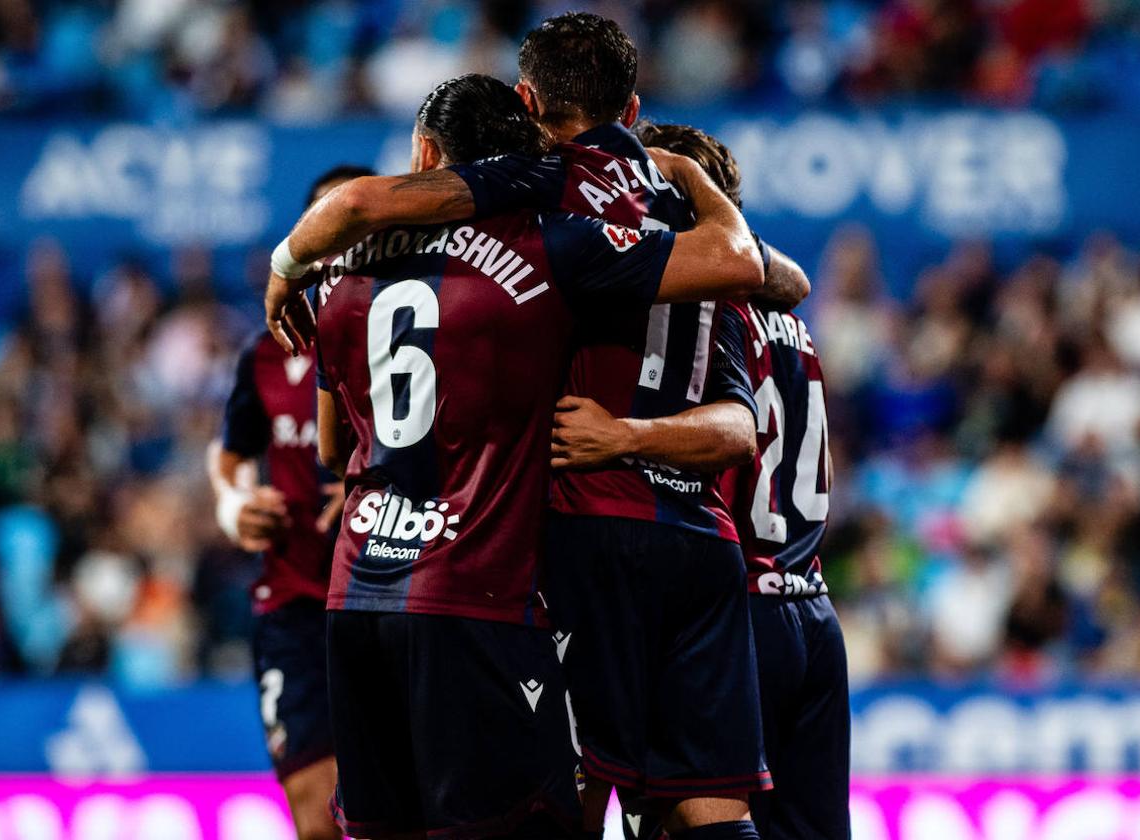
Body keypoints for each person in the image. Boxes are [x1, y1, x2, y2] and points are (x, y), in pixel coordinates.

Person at [263, 16, 799, 840]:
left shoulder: (524, 195)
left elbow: (363, 207)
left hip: (510, 545)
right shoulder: (654, 206)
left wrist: (288, 264)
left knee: (560, 799)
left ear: (525, 102)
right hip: (693, 533)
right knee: (704, 804)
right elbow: (767, 278)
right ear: (631, 103)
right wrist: (690, 174)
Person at [553, 124, 850, 840]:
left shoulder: (704, 307)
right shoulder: (791, 321)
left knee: (667, 813)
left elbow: (734, 436)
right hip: (811, 604)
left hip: (731, 603)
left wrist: (624, 437)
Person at [207, 164, 372, 840]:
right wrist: (232, 503)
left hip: (389, 597)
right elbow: (230, 453)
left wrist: (373, 483)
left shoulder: (426, 331)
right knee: (314, 816)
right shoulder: (265, 353)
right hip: (294, 602)